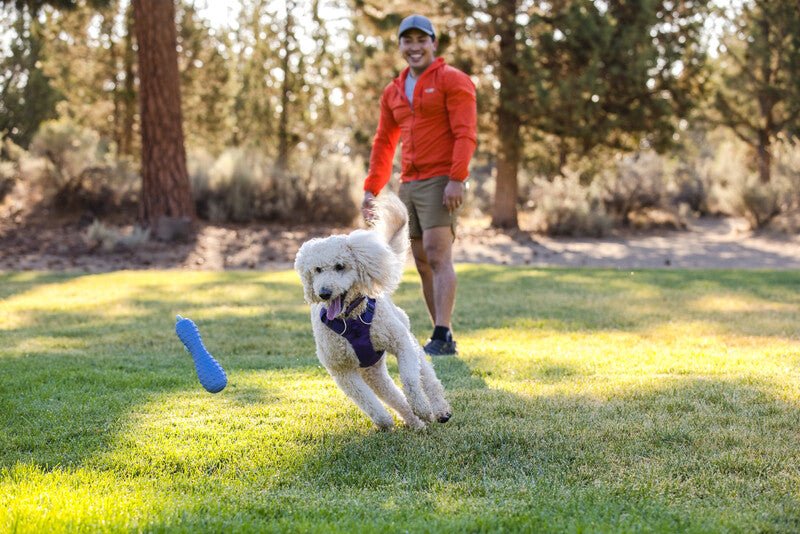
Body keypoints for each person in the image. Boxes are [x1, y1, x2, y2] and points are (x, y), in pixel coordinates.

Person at [361, 14, 477, 356]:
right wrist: (372, 188)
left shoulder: (452, 81)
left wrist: (457, 178)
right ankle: (443, 334)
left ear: (433, 44)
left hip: (441, 180)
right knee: (422, 260)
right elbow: (384, 141)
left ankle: (442, 333)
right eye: (407, 41)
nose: (414, 47)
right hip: (408, 183)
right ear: (399, 46)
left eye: (421, 40)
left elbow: (465, 133)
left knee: (439, 254)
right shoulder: (393, 91)